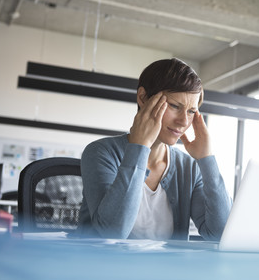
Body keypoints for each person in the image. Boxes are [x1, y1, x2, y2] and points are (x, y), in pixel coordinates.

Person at [76, 58, 232, 240]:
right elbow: (112, 232)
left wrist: (206, 159)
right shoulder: (101, 152)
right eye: (174, 106)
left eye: (191, 111)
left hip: (166, 269)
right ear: (143, 98)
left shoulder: (189, 167)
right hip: (105, 267)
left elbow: (220, 234)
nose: (183, 121)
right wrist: (140, 147)